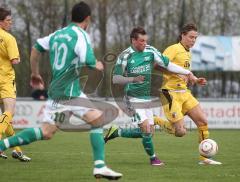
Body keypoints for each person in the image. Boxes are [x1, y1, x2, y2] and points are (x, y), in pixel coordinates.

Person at [0, 2, 122, 180]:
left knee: (46, 132)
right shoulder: (81, 35)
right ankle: (100, 166)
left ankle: (3, 144)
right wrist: (97, 64)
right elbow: (88, 60)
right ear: (87, 19)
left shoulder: (58, 34)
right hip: (69, 92)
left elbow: (36, 48)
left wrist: (35, 73)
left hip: (58, 91)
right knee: (98, 119)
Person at [104, 27, 197, 166]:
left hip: (146, 98)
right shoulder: (125, 56)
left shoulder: (150, 51)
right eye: (141, 41)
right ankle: (154, 159)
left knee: (148, 132)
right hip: (132, 98)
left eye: (146, 40)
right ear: (133, 40)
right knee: (146, 129)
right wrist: (132, 80)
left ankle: (116, 132)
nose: (144, 43)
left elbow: (168, 64)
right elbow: (116, 79)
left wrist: (187, 72)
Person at [153, 23, 222, 165]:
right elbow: (157, 65)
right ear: (183, 35)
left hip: (184, 92)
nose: (193, 40)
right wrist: (178, 73)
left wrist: (195, 79)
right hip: (170, 93)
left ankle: (205, 158)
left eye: (195, 38)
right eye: (191, 37)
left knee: (202, 121)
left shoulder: (188, 53)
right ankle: (155, 120)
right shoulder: (173, 49)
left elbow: (184, 74)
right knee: (180, 132)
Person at [0, 7, 31, 162]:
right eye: (8, 20)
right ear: (1, 22)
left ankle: (17, 150)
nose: (10, 23)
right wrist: (18, 58)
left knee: (6, 118)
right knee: (9, 112)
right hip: (5, 79)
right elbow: (15, 60)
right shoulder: (8, 38)